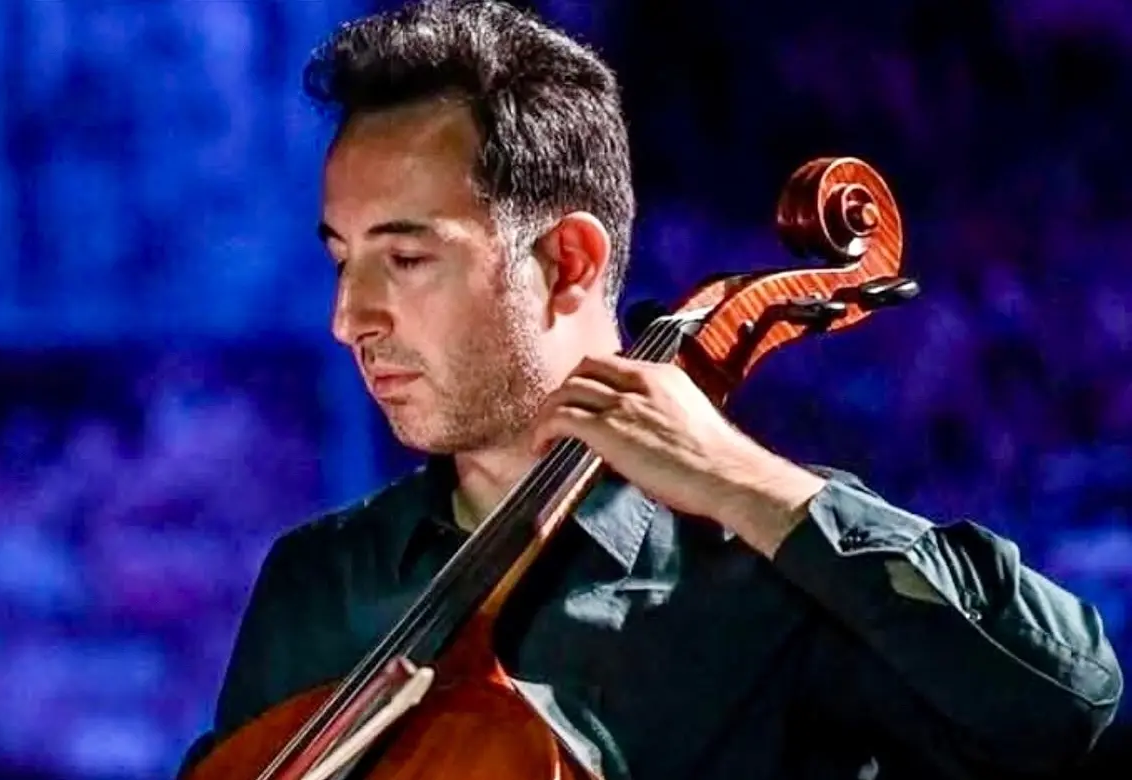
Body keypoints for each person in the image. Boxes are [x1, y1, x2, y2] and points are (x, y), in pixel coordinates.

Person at [177, 1, 1122, 778]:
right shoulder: (317, 582)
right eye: (342, 260)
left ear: (568, 261)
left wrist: (748, 484)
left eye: (407, 258)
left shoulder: (768, 573)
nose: (349, 319)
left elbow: (1065, 702)